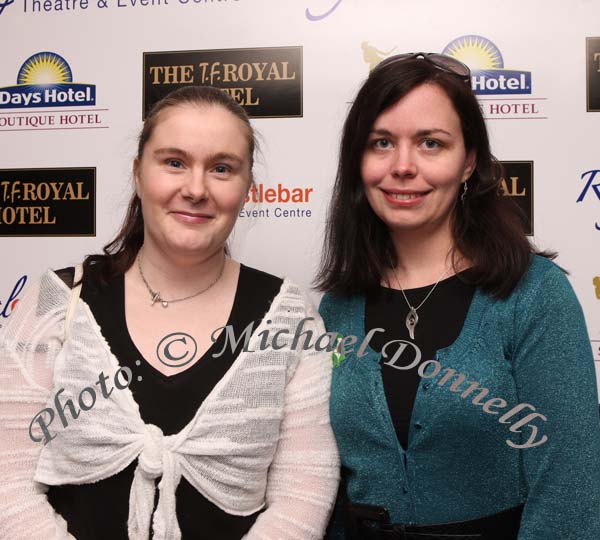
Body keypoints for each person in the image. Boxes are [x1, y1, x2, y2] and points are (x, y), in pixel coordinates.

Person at [0, 85, 339, 540]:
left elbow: (303, 494)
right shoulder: (57, 299)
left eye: (222, 168)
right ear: (139, 173)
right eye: (174, 162)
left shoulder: (290, 316)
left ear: (246, 187)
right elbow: (9, 483)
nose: (196, 189)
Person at [316, 53, 600, 540]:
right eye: (381, 143)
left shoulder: (533, 292)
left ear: (469, 161)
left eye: (431, 143)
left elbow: (570, 486)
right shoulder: (338, 306)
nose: (403, 167)